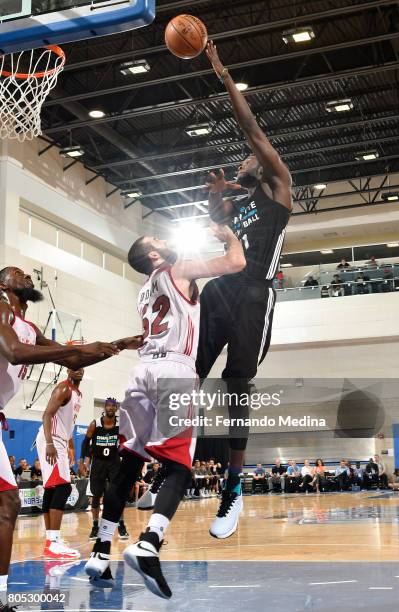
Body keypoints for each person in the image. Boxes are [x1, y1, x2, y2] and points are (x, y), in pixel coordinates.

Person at [84, 222, 246, 598]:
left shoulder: (144, 291)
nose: (167, 240)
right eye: (159, 240)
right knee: (179, 466)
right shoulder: (178, 269)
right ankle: (149, 542)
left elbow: (150, 332)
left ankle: (101, 549)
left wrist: (122, 343)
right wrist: (229, 237)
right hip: (174, 371)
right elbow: (236, 262)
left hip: (141, 372)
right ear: (154, 256)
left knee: (130, 462)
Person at [195, 40, 293, 540]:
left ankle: (233, 490)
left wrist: (221, 71)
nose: (242, 164)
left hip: (256, 292)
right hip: (222, 287)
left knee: (237, 386)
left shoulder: (278, 186)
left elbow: (251, 128)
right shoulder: (242, 204)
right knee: (185, 371)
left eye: (246, 161)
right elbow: (216, 226)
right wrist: (216, 199)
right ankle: (169, 457)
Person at [0, 265, 139, 607]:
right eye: (20, 274)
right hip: (42, 437)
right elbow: (14, 352)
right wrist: (68, 352)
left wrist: (118, 345)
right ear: (4, 283)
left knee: (8, 504)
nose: (28, 278)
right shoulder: (0, 305)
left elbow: (74, 357)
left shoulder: (30, 326)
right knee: (12, 502)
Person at [36, 368, 86, 559]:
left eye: (81, 366)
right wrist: (50, 443)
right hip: (52, 438)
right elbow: (47, 415)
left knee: (52, 489)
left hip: (61, 440)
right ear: (67, 370)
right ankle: (54, 542)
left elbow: (69, 425)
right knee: (63, 488)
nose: (78, 370)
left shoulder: (77, 393)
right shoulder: (63, 388)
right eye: (74, 367)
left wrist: (71, 446)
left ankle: (50, 542)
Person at [78, 398, 129, 541]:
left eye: (114, 406)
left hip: (114, 462)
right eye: (108, 406)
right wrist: (83, 461)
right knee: (96, 495)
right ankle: (95, 526)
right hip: (98, 463)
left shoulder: (121, 425)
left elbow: (127, 442)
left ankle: (121, 525)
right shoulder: (95, 424)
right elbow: (85, 442)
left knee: (117, 495)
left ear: (116, 408)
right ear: (105, 408)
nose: (111, 408)